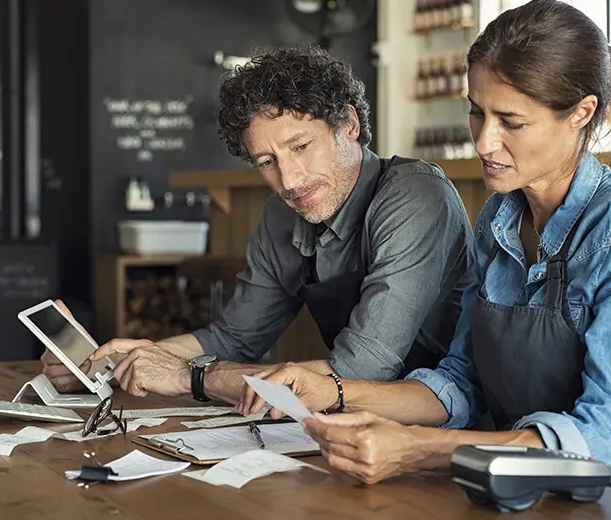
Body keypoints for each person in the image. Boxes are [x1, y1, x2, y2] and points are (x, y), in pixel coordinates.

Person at [239, 0, 611, 505]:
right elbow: (461, 380)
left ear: (580, 113)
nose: (485, 141)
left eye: (510, 121)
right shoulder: (499, 218)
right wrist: (335, 392)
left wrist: (423, 449)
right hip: (506, 480)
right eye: (477, 112)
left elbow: (606, 434)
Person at [42, 45, 474, 404]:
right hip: (354, 424)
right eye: (267, 162)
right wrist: (118, 360)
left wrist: (191, 377)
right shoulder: (282, 215)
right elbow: (234, 336)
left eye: (301, 146)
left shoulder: (415, 195)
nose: (289, 180)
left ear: (349, 125)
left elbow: (361, 369)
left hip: (448, 422)